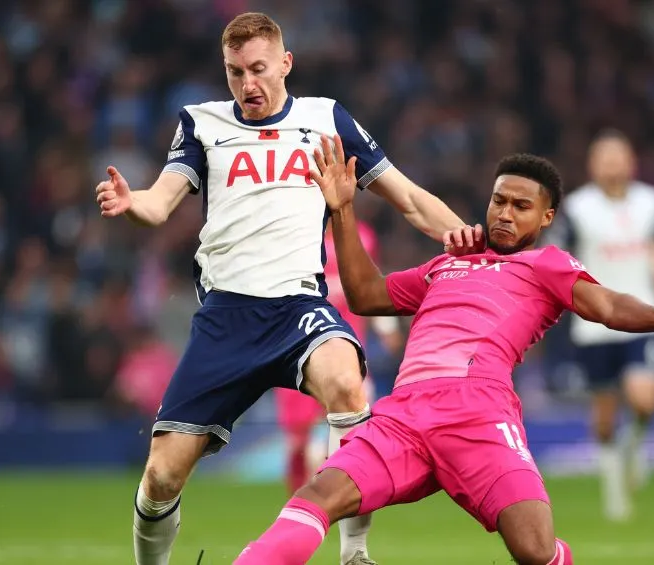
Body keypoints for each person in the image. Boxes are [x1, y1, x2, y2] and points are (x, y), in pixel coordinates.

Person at [93, 12, 470, 565]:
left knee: (347, 384)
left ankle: (355, 553)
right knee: (161, 477)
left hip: (298, 308)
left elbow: (409, 197)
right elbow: (160, 200)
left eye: (258, 69)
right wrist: (133, 203)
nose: (247, 83)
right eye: (235, 72)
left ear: (286, 63)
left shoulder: (326, 120)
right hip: (226, 318)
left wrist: (466, 238)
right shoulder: (201, 123)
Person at [234, 144, 654, 565]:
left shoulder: (545, 264)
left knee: (534, 549)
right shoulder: (447, 263)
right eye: (499, 201)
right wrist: (343, 210)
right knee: (318, 495)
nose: (505, 214)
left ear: (547, 217)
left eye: (521, 206)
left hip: (479, 413)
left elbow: (607, 306)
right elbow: (366, 295)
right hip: (404, 415)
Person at [547, 130, 654, 520]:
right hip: (595, 322)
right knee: (604, 414)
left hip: (643, 314)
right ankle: (615, 494)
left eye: (618, 157)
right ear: (592, 165)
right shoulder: (578, 208)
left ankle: (634, 445)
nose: (612, 165)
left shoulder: (652, 202)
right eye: (604, 158)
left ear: (631, 162)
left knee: (644, 399)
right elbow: (559, 256)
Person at [274, 221, 402, 494]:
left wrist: (386, 325)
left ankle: (342, 493)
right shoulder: (294, 230)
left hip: (347, 350)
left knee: (353, 426)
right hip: (297, 348)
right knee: (297, 440)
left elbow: (370, 280)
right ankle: (301, 499)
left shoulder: (362, 236)